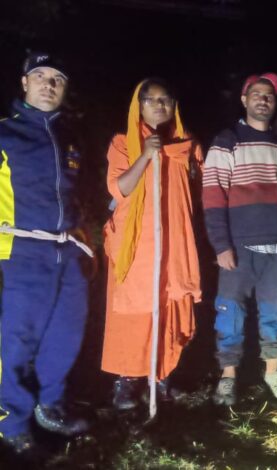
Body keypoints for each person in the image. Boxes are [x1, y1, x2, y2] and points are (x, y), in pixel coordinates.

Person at [0, 52, 89, 452]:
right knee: (16, 339)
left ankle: (51, 405)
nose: (49, 84)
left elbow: (78, 194)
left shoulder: (71, 138)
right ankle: (10, 419)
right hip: (19, 250)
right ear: (24, 83)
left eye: (58, 78)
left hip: (66, 251)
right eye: (40, 76)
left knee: (65, 334)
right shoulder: (5, 133)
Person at [102, 78, 202, 409]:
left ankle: (162, 374)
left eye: (166, 99)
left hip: (174, 240)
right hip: (137, 243)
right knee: (134, 308)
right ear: (139, 106)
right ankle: (128, 380)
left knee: (170, 302)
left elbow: (198, 190)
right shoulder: (122, 143)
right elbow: (120, 189)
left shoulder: (187, 145)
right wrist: (146, 154)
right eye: (151, 100)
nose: (159, 105)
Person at [203, 73, 277, 405]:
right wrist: (221, 245)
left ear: (275, 103)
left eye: (269, 95)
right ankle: (228, 376)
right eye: (256, 94)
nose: (263, 99)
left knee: (275, 311)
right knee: (230, 312)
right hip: (239, 248)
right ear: (244, 100)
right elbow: (213, 197)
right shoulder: (227, 141)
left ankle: (272, 370)